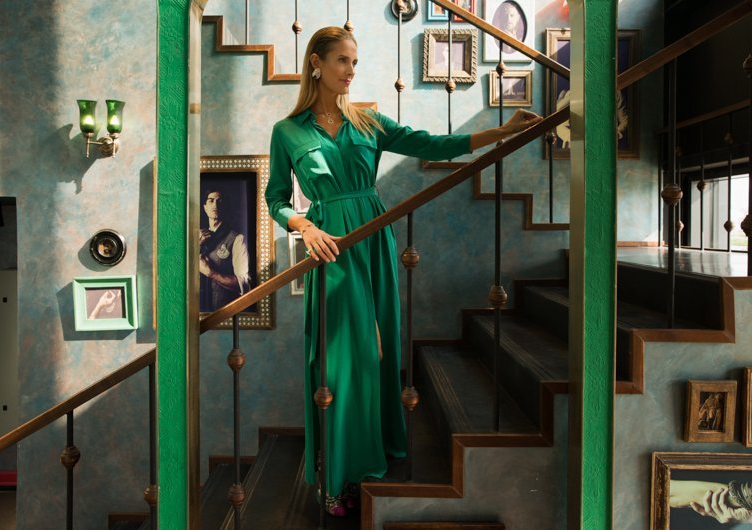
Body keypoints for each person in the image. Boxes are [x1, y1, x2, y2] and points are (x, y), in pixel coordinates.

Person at [265, 26, 542, 517]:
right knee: (339, 362)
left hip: (373, 238)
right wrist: (303, 225)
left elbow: (433, 144)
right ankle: (339, 474)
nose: (352, 71)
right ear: (316, 64)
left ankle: (376, 448)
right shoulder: (287, 131)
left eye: (355, 61)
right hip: (330, 248)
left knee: (377, 350)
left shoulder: (368, 121)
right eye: (343, 61)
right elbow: (276, 199)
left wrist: (502, 131)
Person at [199, 187, 251, 312]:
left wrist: (211, 273)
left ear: (226, 207)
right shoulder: (196, 237)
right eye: (211, 200)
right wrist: (197, 247)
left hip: (223, 314)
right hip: (196, 313)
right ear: (205, 207)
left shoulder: (237, 239)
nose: (215, 205)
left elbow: (243, 284)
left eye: (220, 201)